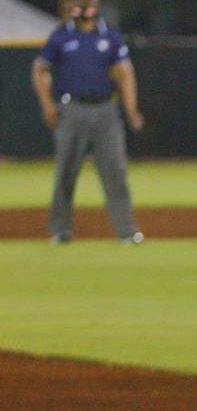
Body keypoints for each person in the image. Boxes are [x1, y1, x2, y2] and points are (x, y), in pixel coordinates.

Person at [31, 0, 144, 245]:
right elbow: (39, 69)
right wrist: (48, 105)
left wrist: (131, 109)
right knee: (66, 174)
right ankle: (60, 231)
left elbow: (126, 73)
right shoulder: (62, 36)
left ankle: (127, 232)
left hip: (106, 110)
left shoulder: (110, 36)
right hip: (72, 110)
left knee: (115, 173)